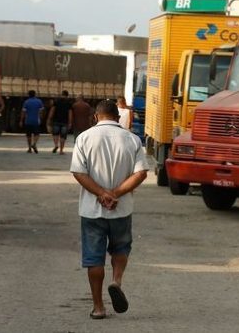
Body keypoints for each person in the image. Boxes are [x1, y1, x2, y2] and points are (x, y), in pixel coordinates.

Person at [70, 100, 149, 320]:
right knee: (121, 248)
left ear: (96, 116)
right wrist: (115, 194)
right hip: (121, 209)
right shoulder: (132, 139)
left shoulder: (84, 138)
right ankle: (116, 281)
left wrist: (101, 194)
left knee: (94, 259)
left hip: (92, 211)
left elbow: (78, 172)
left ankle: (98, 307)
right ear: (118, 117)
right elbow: (141, 173)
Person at [48, 90, 73, 154]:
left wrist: (49, 119)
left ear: (61, 94)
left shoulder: (56, 102)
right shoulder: (69, 103)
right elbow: (70, 114)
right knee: (63, 136)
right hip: (65, 122)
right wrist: (70, 123)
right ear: (67, 95)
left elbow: (52, 111)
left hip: (56, 121)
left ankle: (56, 145)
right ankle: (61, 151)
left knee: (55, 134)